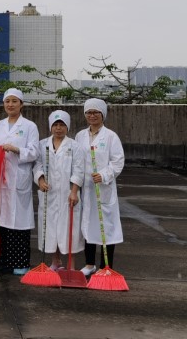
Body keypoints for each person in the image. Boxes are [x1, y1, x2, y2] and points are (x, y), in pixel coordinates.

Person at [0, 88, 39, 276]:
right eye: (7, 101)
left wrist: (17, 150)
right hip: (0, 180)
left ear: (21, 104)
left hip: (18, 179)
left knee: (18, 222)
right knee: (0, 220)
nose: (10, 104)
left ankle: (20, 263)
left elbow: (34, 152)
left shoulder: (30, 126)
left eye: (14, 101)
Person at [75, 98, 124, 277]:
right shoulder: (80, 136)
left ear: (103, 114)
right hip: (86, 190)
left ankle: (105, 266)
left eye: (96, 112)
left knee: (106, 228)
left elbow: (117, 162)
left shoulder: (111, 136)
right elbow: (76, 160)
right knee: (88, 226)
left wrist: (103, 175)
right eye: (89, 112)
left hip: (103, 189)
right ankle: (89, 264)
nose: (92, 115)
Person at [33, 110, 84, 271]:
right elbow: (37, 165)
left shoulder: (75, 146)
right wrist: (40, 180)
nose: (58, 128)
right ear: (50, 127)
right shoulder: (42, 144)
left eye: (62, 125)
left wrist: (74, 191)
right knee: (50, 229)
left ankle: (71, 267)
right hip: (49, 194)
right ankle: (55, 262)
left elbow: (79, 170)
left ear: (67, 127)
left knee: (69, 230)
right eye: (55, 125)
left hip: (67, 194)